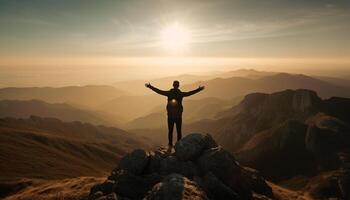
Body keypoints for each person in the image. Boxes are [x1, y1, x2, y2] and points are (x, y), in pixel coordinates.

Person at [145, 80, 205, 148]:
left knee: (170, 131)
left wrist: (150, 86)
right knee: (179, 131)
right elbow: (190, 93)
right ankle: (179, 145)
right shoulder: (181, 94)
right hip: (178, 116)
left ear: (173, 85)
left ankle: (170, 144)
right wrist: (199, 89)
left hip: (170, 116)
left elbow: (159, 91)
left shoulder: (169, 93)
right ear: (178, 85)